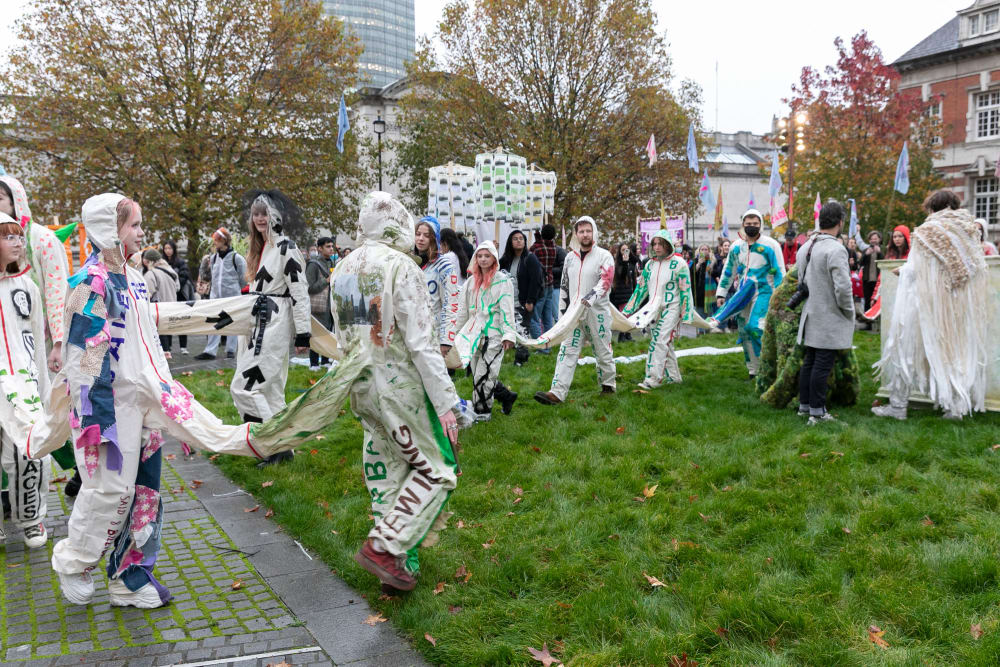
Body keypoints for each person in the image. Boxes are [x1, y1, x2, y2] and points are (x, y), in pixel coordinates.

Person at [31, 194, 271, 608]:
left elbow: (152, 324)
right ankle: (75, 561)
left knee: (146, 490)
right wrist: (97, 424)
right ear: (110, 229)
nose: (142, 233)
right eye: (134, 225)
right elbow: (85, 360)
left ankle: (130, 573)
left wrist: (241, 313)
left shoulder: (134, 277)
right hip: (107, 410)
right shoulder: (90, 284)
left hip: (147, 399)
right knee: (108, 489)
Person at [249, 192, 463, 593]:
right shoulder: (402, 266)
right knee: (437, 470)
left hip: (361, 385)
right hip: (401, 385)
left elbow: (346, 333)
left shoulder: (343, 268)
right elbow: (421, 342)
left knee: (385, 470)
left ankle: (400, 565)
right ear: (397, 221)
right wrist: (446, 402)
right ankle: (386, 548)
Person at [873, 190, 989, 420]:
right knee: (951, 352)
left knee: (904, 349)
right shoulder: (967, 231)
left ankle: (898, 407)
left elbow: (915, 268)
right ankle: (955, 408)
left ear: (932, 208)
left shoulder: (927, 231)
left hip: (923, 303)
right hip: (955, 304)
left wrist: (901, 270)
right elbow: (974, 268)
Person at [232, 190, 310, 467]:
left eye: (264, 213)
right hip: (257, 324)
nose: (260, 218)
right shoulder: (260, 249)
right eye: (256, 214)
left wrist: (303, 332)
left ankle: (271, 442)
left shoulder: (287, 247)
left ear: (275, 215)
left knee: (244, 387)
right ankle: (282, 450)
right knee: (272, 392)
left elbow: (300, 290)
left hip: (272, 326)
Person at [0, 214, 51, 548]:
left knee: (28, 452)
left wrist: (43, 386)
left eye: (19, 237)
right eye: (9, 237)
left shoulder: (27, 287)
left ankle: (31, 517)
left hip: (22, 385)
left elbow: (37, 340)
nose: (19, 242)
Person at [534, 216, 616, 405]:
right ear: (576, 234)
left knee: (602, 349)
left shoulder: (604, 255)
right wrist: (563, 314)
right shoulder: (570, 257)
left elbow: (606, 280)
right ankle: (557, 392)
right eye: (581, 231)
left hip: (597, 312)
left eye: (588, 230)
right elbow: (564, 285)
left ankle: (608, 385)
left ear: (593, 232)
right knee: (567, 349)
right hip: (573, 313)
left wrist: (590, 299)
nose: (585, 234)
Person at [795, 201, 855, 425]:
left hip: (811, 312)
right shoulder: (835, 249)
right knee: (821, 363)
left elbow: (801, 281)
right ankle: (817, 413)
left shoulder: (807, 246)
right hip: (828, 313)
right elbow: (843, 287)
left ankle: (805, 406)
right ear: (840, 222)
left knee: (810, 361)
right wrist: (849, 310)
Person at [711, 209, 785, 378]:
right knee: (744, 331)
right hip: (743, 293)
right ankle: (753, 370)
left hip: (765, 292)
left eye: (755, 224)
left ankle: (768, 369)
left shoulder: (771, 245)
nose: (751, 227)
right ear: (743, 224)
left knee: (755, 328)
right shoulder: (737, 246)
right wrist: (721, 294)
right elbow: (729, 271)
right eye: (748, 224)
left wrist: (781, 296)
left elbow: (780, 272)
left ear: (761, 225)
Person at [622, 230, 693, 389]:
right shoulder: (650, 265)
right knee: (664, 343)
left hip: (672, 307)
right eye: (654, 243)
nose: (657, 247)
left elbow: (685, 289)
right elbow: (641, 290)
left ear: (668, 245)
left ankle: (652, 380)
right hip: (653, 309)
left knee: (659, 341)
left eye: (660, 243)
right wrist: (627, 310)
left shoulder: (679, 263)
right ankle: (674, 378)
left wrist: (686, 312)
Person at [456, 242, 518, 419]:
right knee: (478, 373)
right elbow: (463, 311)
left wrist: (508, 335)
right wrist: (453, 335)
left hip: (494, 334)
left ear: (494, 258)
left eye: (487, 256)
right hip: (473, 334)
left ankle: (482, 411)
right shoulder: (470, 283)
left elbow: (507, 310)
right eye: (480, 256)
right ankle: (506, 396)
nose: (483, 259)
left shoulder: (503, 281)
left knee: (484, 374)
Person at [194, 228, 246, 360]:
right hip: (216, 297)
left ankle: (231, 350)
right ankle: (210, 351)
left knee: (232, 323)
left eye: (216, 240)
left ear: (224, 241)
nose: (214, 243)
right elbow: (209, 277)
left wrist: (240, 293)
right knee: (213, 322)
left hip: (232, 297)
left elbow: (243, 278)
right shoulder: (213, 258)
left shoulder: (237, 258)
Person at [415, 217, 462, 358]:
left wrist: (446, 340)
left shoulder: (444, 266)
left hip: (434, 334)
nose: (421, 239)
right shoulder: (410, 263)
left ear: (434, 239)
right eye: (418, 234)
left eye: (426, 235)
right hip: (413, 334)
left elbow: (451, 304)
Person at [499, 229, 544, 346]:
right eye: (515, 239)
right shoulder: (506, 260)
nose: (518, 241)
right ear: (510, 242)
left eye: (521, 239)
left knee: (523, 330)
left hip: (524, 302)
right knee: (512, 329)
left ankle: (522, 358)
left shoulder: (530, 258)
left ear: (525, 242)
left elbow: (536, 281)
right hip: (509, 301)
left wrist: (530, 301)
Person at [140, 249, 179, 359]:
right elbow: (178, 287)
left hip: (159, 306)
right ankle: (168, 349)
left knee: (159, 330)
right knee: (168, 328)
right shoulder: (170, 270)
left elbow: (147, 293)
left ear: (148, 261)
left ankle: (165, 353)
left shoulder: (151, 274)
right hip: (172, 304)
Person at [306, 236, 336, 370]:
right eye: (328, 247)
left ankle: (325, 360)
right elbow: (309, 287)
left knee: (327, 333)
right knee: (316, 334)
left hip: (330, 304)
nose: (331, 249)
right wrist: (326, 281)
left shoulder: (332, 263)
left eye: (332, 246)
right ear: (320, 248)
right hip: (317, 305)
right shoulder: (313, 265)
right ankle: (313, 363)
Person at [529, 223, 562, 337]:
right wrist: (538, 234)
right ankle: (548, 344)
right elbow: (541, 242)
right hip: (550, 284)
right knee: (547, 317)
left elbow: (532, 250)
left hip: (539, 285)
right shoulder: (553, 247)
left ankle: (539, 344)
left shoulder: (536, 248)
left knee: (535, 316)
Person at [161, 240, 193, 355]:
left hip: (179, 295)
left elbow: (185, 276)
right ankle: (167, 346)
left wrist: (175, 286)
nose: (168, 251)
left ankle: (183, 346)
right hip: (167, 296)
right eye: (166, 248)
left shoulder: (180, 262)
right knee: (167, 321)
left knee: (181, 320)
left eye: (170, 248)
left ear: (174, 249)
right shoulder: (161, 262)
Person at [609, 243, 639, 340]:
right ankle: (622, 336)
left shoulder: (630, 262)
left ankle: (627, 335)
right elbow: (622, 274)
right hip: (622, 293)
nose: (625, 252)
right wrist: (625, 262)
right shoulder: (618, 263)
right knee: (624, 315)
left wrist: (630, 255)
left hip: (629, 292)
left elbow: (635, 262)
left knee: (628, 315)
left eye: (627, 249)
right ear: (619, 252)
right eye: (623, 250)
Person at [858, 230, 883, 312]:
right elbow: (860, 263)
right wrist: (865, 255)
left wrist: (879, 253)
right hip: (867, 280)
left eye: (875, 238)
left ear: (879, 239)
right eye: (871, 239)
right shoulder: (866, 250)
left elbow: (885, 263)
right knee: (867, 301)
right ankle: (867, 321)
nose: (873, 240)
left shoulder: (882, 250)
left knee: (877, 301)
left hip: (878, 281)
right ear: (869, 240)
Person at [690, 243, 715, 316]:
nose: (704, 251)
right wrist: (698, 264)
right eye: (702, 249)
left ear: (709, 251)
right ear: (699, 251)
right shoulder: (695, 260)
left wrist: (711, 265)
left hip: (709, 293)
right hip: (698, 293)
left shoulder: (712, 261)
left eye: (706, 249)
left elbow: (716, 273)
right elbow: (691, 273)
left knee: (709, 318)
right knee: (700, 317)